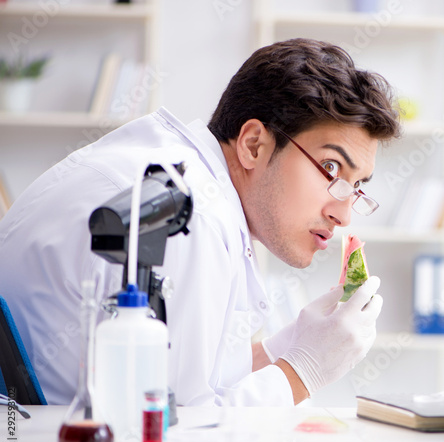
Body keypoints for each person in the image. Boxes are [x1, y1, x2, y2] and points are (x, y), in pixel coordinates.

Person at [0, 38, 400, 406]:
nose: (343, 214)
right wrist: (305, 370)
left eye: (357, 187)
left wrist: (291, 345)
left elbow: (198, 380)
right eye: (330, 168)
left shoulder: (172, 167)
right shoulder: (187, 218)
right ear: (253, 145)